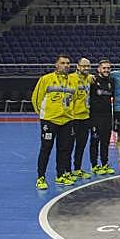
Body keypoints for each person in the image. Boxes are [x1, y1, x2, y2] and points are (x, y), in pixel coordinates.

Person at [32, 54, 77, 189]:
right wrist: (43, 115)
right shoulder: (46, 79)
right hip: (49, 121)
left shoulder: (73, 81)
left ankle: (60, 175)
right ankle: (41, 177)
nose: (66, 65)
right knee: (46, 148)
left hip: (67, 121)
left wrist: (70, 114)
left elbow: (74, 100)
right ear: (56, 65)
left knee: (64, 149)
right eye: (63, 63)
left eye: (68, 63)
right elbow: (36, 98)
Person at [89, 59, 114, 175]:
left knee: (105, 142)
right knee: (95, 142)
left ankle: (104, 163)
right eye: (104, 68)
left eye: (108, 68)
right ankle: (94, 165)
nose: (106, 70)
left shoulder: (111, 81)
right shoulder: (93, 80)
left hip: (108, 116)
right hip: (95, 117)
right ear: (99, 69)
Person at [70, 57, 93, 180]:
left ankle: (77, 169)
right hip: (73, 118)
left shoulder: (89, 79)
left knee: (81, 145)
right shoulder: (71, 78)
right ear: (78, 66)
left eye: (88, 66)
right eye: (84, 66)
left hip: (85, 117)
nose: (86, 68)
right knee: (68, 146)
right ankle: (67, 171)